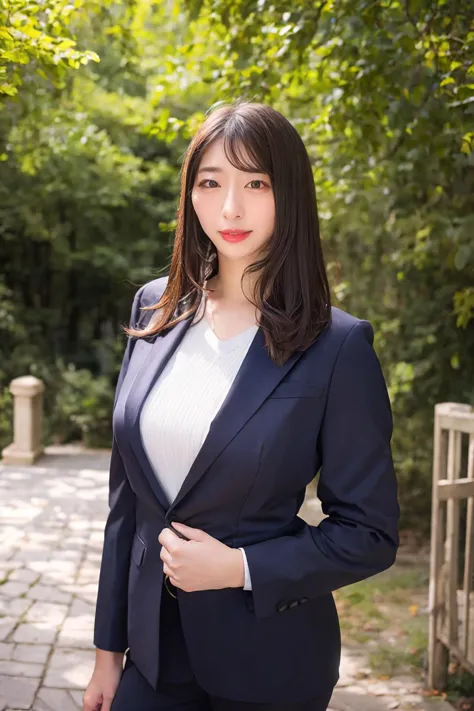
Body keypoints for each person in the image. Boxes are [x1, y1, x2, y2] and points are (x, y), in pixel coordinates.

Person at [83, 101, 400, 711]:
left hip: (270, 666)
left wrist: (240, 568)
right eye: (211, 182)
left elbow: (370, 533)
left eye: (255, 183)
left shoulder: (337, 346)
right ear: (190, 195)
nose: (231, 207)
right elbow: (126, 502)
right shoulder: (155, 309)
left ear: (290, 195)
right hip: (151, 657)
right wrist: (107, 652)